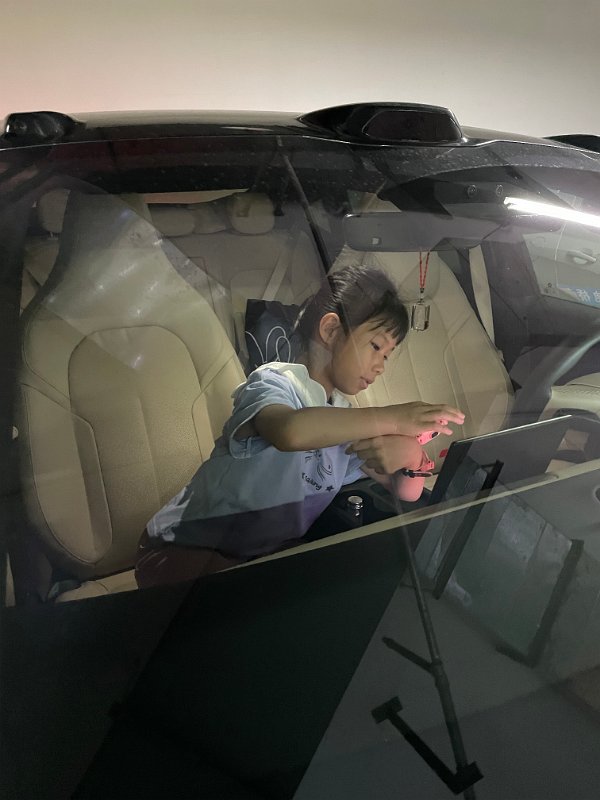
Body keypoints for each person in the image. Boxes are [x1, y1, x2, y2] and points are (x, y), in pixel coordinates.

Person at [135, 265, 465, 588]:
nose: (381, 366)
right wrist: (394, 418)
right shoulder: (274, 383)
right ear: (331, 330)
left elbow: (407, 492)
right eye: (376, 346)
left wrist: (411, 454)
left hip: (254, 555)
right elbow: (290, 432)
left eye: (388, 355)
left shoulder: (343, 416)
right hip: (181, 547)